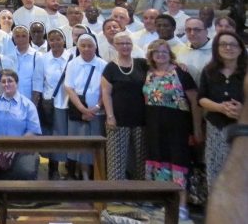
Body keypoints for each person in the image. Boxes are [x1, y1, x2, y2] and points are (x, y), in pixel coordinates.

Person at [143, 38, 201, 222]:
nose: (160, 55)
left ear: (170, 55)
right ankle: (161, 203)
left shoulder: (181, 73)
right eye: (156, 52)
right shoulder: (148, 73)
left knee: (179, 164)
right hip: (154, 126)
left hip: (177, 126)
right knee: (158, 163)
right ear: (151, 55)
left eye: (164, 52)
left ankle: (181, 206)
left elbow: (195, 102)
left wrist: (197, 129)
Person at [198, 31, 245, 189]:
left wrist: (243, 111)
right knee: (216, 172)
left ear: (240, 49)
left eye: (233, 44)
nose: (228, 48)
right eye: (223, 44)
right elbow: (201, 98)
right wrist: (220, 108)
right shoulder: (209, 72)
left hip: (243, 131)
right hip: (216, 128)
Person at [100, 31, 148, 180]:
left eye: (128, 43)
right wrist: (110, 116)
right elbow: (106, 93)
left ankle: (140, 191)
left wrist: (178, 64)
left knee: (141, 158)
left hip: (141, 118)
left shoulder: (142, 64)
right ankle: (117, 190)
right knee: (116, 158)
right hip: (118, 118)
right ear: (115, 46)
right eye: (121, 43)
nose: (125, 46)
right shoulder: (110, 68)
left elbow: (162, 66)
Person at [64, 33, 106, 180]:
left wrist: (95, 107)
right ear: (78, 47)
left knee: (95, 145)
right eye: (83, 45)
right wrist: (83, 109)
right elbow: (69, 88)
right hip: (78, 110)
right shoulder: (72, 64)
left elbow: (105, 90)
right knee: (81, 146)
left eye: (90, 45)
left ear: (95, 47)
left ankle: (97, 176)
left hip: (97, 112)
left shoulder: (103, 64)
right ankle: (84, 176)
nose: (86, 48)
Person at [0, 69, 41, 179]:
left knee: (25, 173)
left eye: (10, 81)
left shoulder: (28, 105)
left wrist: (16, 146)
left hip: (21, 148)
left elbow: (33, 131)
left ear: (17, 83)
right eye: (3, 81)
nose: (6, 84)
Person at [41, 28, 71, 179]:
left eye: (58, 39)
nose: (55, 42)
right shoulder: (43, 59)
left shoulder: (71, 57)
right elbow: (39, 81)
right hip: (51, 104)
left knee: (68, 136)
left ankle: (70, 167)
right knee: (53, 136)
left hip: (68, 103)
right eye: (51, 39)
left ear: (64, 40)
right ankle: (53, 168)